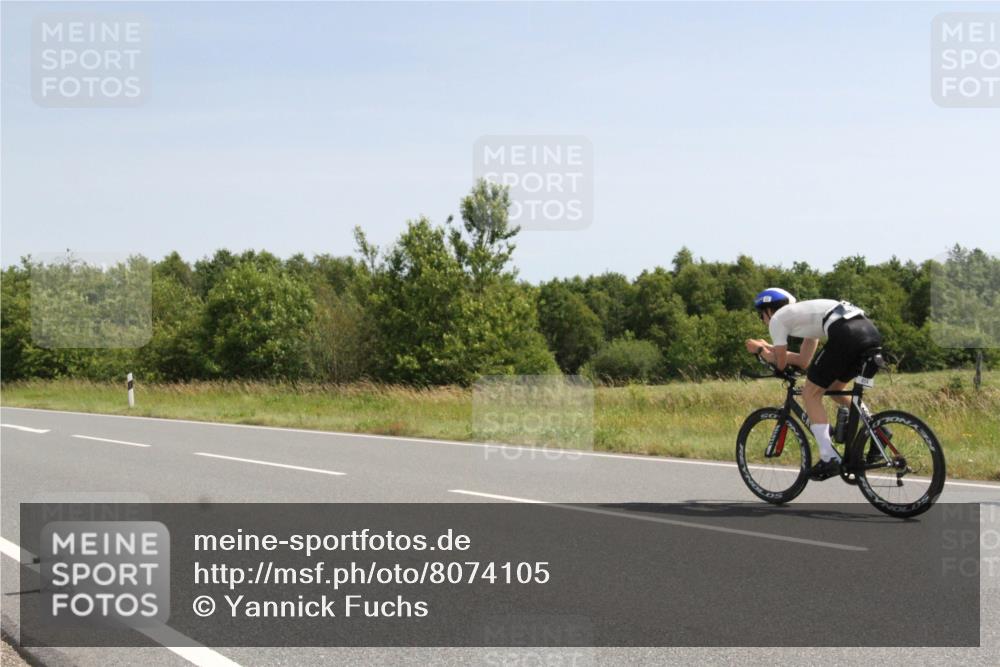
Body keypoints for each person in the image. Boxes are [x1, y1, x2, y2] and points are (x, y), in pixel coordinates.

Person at [744, 288, 882, 480]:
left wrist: (760, 350)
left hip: (845, 334)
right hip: (869, 333)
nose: (763, 320)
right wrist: (769, 348)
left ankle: (829, 458)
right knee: (835, 390)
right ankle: (878, 429)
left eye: (761, 316)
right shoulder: (806, 318)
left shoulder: (777, 320)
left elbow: (782, 364)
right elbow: (803, 360)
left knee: (810, 394)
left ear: (768, 309)